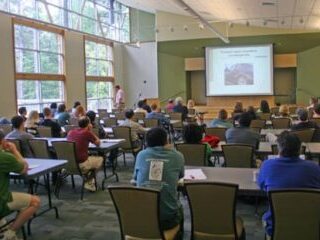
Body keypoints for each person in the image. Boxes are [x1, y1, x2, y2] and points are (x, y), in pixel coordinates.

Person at [258, 131, 320, 237]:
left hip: (275, 227)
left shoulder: (267, 165)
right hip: (312, 226)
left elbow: (262, 186)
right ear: (300, 148)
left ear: (279, 148)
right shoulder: (314, 167)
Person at [133, 127, 184, 235]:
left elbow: (135, 178)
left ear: (146, 142)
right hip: (167, 218)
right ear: (166, 141)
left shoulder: (141, 155)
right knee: (179, 209)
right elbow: (180, 176)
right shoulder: (177, 156)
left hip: (142, 216)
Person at [0, 130, 40, 240]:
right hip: (1, 200)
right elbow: (24, 168)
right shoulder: (5, 157)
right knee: (35, 201)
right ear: (2, 141)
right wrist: (14, 150)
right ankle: (10, 233)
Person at [67, 117, 103, 192]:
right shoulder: (87, 132)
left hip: (68, 165)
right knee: (101, 159)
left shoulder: (71, 132)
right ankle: (89, 181)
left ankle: (89, 178)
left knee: (89, 157)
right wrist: (90, 131)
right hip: (81, 164)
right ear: (88, 124)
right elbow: (98, 143)